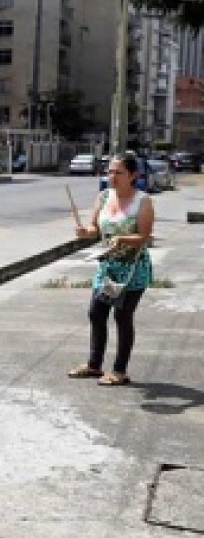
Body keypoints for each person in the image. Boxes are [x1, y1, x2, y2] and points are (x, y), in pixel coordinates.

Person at [68, 153, 154, 386]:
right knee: (96, 313)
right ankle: (94, 365)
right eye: (110, 172)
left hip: (133, 266)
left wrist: (123, 239)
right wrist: (85, 232)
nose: (112, 177)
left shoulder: (143, 201)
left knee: (123, 316)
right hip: (107, 265)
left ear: (133, 175)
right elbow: (94, 227)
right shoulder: (104, 196)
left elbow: (144, 236)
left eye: (118, 172)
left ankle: (119, 370)